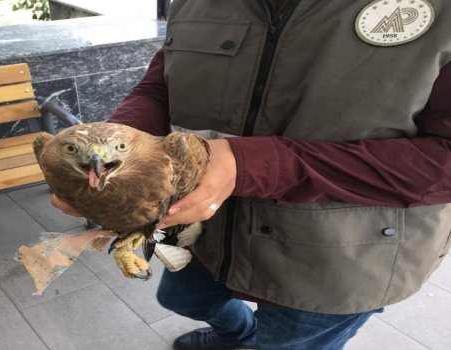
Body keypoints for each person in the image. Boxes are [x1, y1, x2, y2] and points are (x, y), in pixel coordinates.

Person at [53, 0, 451, 349]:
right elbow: (159, 89)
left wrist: (252, 165)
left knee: (290, 344)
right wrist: (113, 148)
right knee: (183, 300)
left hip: (342, 253)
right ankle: (238, 335)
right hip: (208, 229)